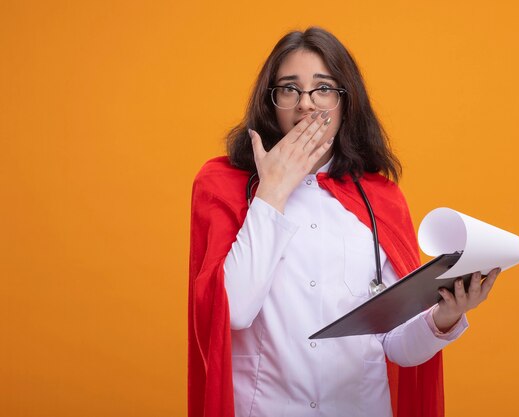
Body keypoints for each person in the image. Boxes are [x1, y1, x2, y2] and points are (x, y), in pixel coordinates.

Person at [188, 27, 500, 417]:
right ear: (271, 103)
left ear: (345, 102)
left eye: (323, 88)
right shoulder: (224, 185)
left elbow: (395, 349)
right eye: (289, 88)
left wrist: (445, 316)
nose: (306, 105)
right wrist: (274, 189)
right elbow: (230, 312)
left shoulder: (381, 200)